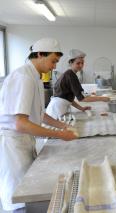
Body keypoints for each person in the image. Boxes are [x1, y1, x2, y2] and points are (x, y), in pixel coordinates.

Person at [0, 38, 78, 211]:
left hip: (24, 141)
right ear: (40, 54)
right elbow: (20, 124)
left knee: (27, 190)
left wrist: (61, 125)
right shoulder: (23, 77)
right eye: (53, 61)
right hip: (13, 144)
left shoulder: (34, 76)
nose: (54, 66)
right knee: (18, 194)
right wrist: (60, 135)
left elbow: (39, 114)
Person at [46, 49, 110, 119]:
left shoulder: (69, 74)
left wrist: (81, 108)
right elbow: (82, 99)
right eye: (78, 63)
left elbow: (68, 99)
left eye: (82, 63)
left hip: (58, 109)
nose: (81, 65)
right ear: (71, 63)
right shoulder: (70, 75)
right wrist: (101, 98)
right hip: (56, 110)